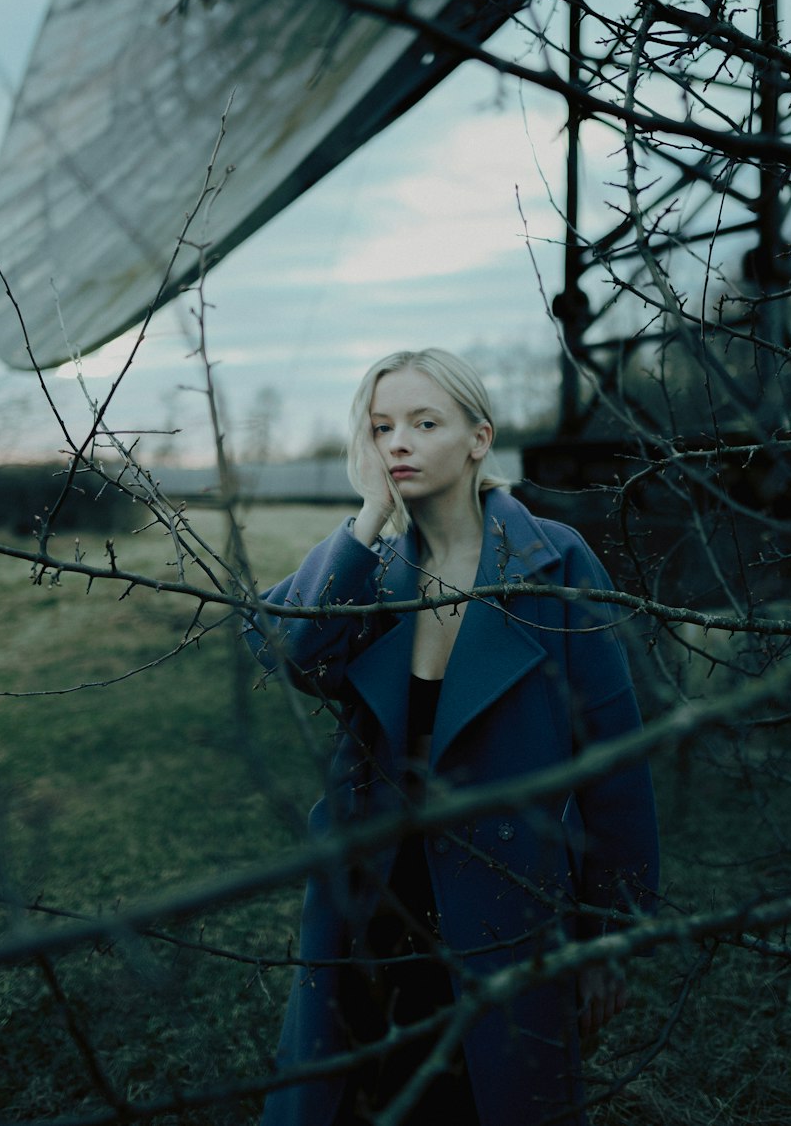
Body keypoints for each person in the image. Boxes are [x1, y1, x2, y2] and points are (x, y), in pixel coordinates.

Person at [246, 348, 659, 1126]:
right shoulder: (366, 571)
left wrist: (608, 939)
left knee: (479, 1099)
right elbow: (287, 651)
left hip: (506, 899)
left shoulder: (555, 561)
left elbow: (616, 764)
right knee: (355, 1097)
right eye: (380, 427)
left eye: (423, 422)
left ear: (478, 437)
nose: (396, 443)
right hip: (368, 896)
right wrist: (366, 519)